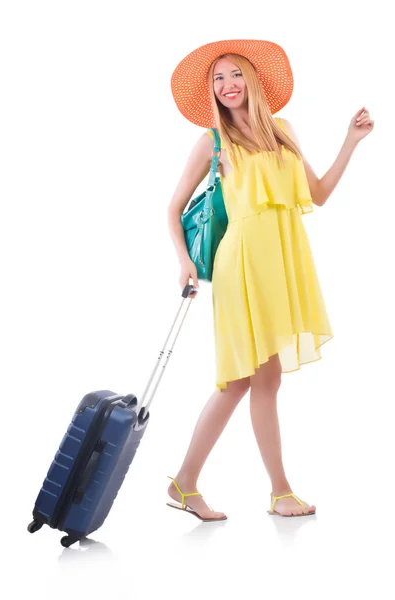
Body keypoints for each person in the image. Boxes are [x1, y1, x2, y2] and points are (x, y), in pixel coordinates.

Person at [166, 39, 374, 521]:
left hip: (282, 259)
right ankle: (259, 490)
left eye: (234, 74)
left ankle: (195, 484)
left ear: (253, 80)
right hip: (241, 264)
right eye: (217, 78)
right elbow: (172, 208)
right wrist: (184, 262)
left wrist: (351, 141)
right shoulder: (212, 140)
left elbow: (317, 194)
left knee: (259, 380)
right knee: (240, 379)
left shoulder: (282, 132)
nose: (227, 85)